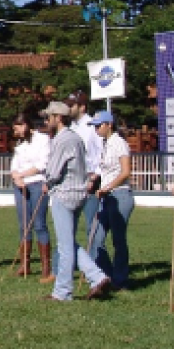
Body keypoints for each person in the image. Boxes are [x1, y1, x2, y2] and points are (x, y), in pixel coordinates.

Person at [42, 101, 111, 301]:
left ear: (58, 118)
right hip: (79, 193)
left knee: (64, 246)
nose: (47, 121)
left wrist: (45, 180)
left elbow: (53, 172)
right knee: (69, 243)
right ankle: (97, 276)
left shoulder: (62, 140)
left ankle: (62, 291)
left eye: (49, 117)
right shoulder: (76, 138)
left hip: (64, 194)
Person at [89, 110, 135, 289]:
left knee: (118, 240)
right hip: (106, 196)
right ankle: (106, 275)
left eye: (99, 126)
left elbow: (125, 172)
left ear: (109, 125)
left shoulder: (119, 143)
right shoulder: (106, 144)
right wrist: (95, 180)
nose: (96, 129)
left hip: (120, 195)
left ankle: (120, 279)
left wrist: (107, 187)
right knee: (96, 238)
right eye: (94, 126)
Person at [9, 113, 52, 281]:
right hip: (20, 186)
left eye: (17, 127)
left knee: (39, 224)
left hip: (37, 184)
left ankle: (45, 266)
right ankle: (24, 264)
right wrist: (16, 176)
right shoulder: (20, 144)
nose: (16, 131)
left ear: (25, 125)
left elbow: (42, 164)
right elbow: (14, 165)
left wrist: (23, 175)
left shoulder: (43, 139)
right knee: (24, 225)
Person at [66, 92, 105, 258]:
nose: (68, 109)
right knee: (68, 227)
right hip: (73, 182)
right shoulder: (71, 128)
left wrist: (95, 176)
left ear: (82, 107)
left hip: (91, 182)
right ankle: (65, 265)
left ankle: (95, 264)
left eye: (71, 105)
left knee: (92, 227)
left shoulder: (92, 127)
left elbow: (102, 154)